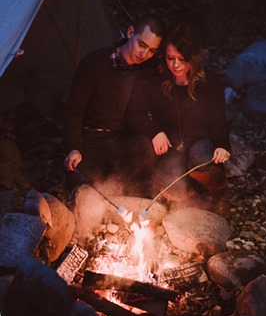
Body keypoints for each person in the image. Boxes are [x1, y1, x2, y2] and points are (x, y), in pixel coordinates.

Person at [125, 21, 231, 213]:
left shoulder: (210, 83)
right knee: (169, 184)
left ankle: (219, 195)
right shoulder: (155, 80)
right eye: (170, 58)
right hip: (172, 147)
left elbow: (219, 121)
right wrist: (154, 131)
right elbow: (134, 113)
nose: (175, 65)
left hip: (200, 143)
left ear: (194, 57)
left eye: (182, 59)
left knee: (201, 159)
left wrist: (222, 144)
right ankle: (191, 193)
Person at [63, 14, 165, 194]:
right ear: (130, 32)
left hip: (124, 137)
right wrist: (74, 147)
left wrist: (155, 132)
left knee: (146, 151)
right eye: (142, 44)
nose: (144, 54)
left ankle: (130, 192)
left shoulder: (147, 70)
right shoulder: (94, 63)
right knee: (78, 182)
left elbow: (141, 113)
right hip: (93, 137)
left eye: (151, 51)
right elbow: (73, 111)